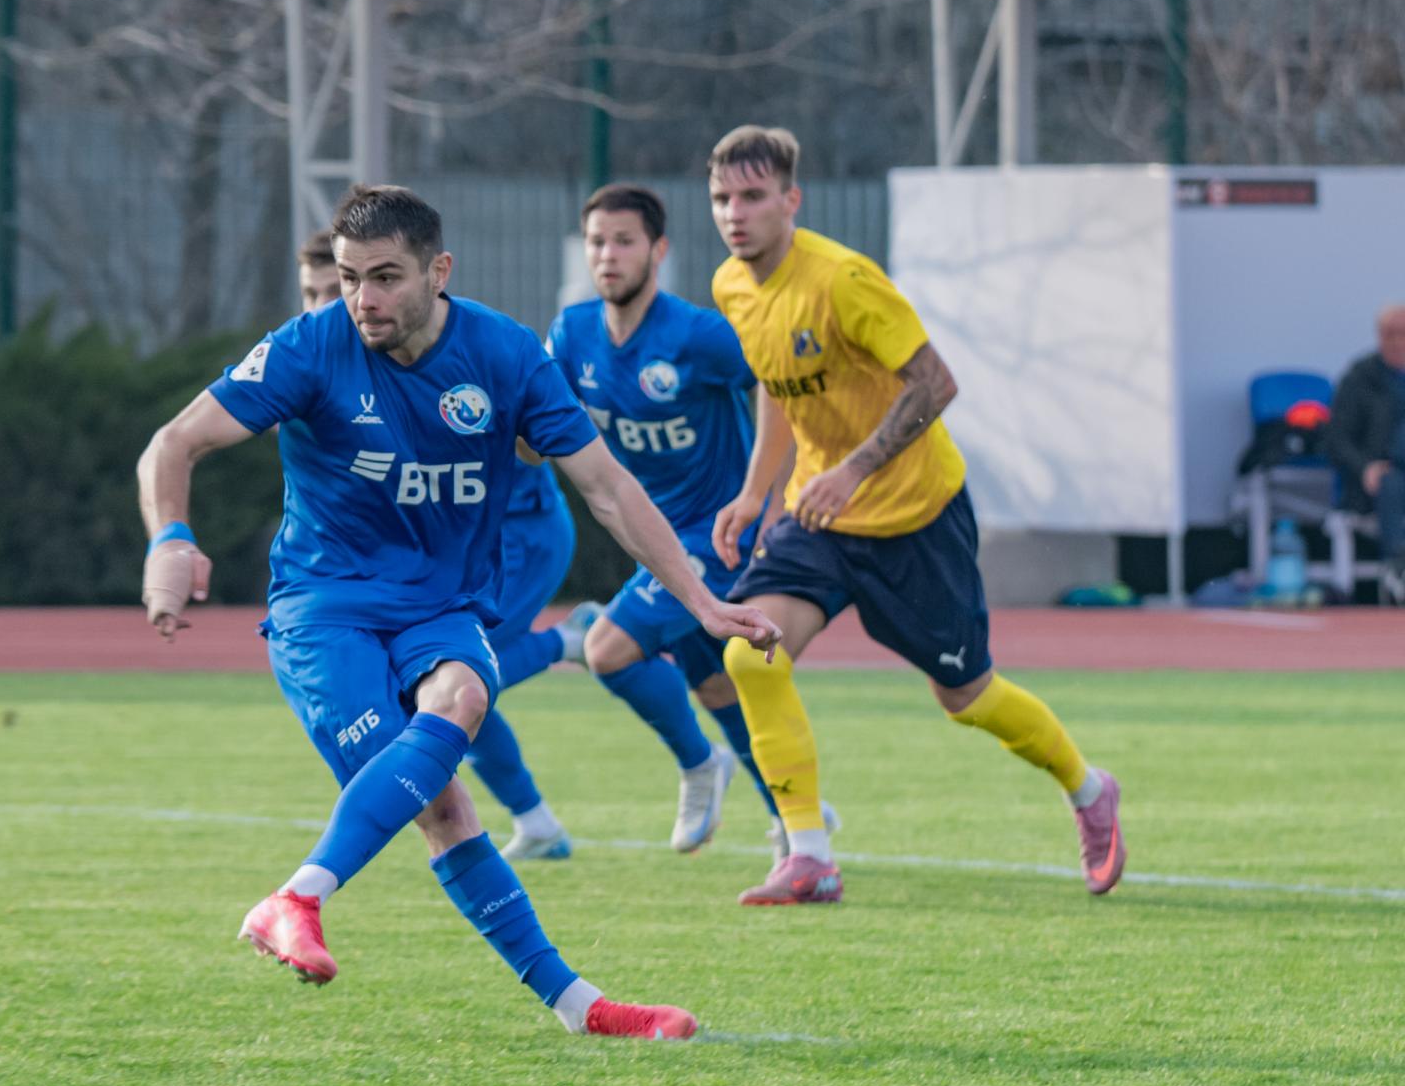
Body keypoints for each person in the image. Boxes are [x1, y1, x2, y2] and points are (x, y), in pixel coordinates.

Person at [140, 184, 780, 1038]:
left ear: (439, 272)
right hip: (325, 609)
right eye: (349, 277)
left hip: (439, 607)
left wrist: (701, 599)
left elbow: (608, 488)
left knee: (465, 700)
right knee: (442, 806)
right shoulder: (311, 345)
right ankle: (578, 1005)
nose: (361, 299)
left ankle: (297, 898)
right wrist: (171, 537)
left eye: (385, 277)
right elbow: (174, 442)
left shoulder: (505, 354)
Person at [702, 125, 1125, 906]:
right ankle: (809, 855)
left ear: (791, 201)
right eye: (723, 197)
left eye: (753, 196)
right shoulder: (731, 284)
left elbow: (935, 383)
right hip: (819, 518)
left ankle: (1089, 788)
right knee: (750, 652)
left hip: (914, 517)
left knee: (967, 697)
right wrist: (757, 491)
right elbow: (777, 386)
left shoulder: (843, 280)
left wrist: (855, 470)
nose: (736, 212)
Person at [546, 183, 836, 858]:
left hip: (718, 535)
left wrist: (769, 499)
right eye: (597, 242)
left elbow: (778, 388)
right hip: (653, 538)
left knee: (606, 649)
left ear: (658, 250)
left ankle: (700, 763)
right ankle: (797, 821)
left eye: (624, 241)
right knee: (716, 684)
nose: (608, 255)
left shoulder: (698, 334)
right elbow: (542, 428)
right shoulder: (572, 333)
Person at [297, 230, 593, 862]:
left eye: (340, 288)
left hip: (519, 536)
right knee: (442, 697)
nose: (332, 307)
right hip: (432, 564)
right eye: (317, 293)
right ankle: (536, 821)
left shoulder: (453, 345)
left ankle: (570, 642)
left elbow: (539, 450)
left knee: (456, 683)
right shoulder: (324, 357)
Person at [1330, 305, 1405, 605]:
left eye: (1404, 334)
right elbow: (1337, 439)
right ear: (1379, 337)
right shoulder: (1360, 378)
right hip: (1376, 480)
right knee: (1391, 482)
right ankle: (1397, 567)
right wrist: (1365, 467)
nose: (1398, 342)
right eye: (1390, 334)